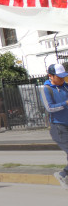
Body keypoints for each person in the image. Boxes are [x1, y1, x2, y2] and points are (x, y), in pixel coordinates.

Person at [40, 63, 68, 191]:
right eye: (59, 77)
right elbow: (49, 108)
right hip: (59, 127)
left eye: (63, 76)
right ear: (50, 76)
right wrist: (65, 103)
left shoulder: (66, 87)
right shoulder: (46, 89)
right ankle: (63, 175)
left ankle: (64, 174)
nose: (62, 79)